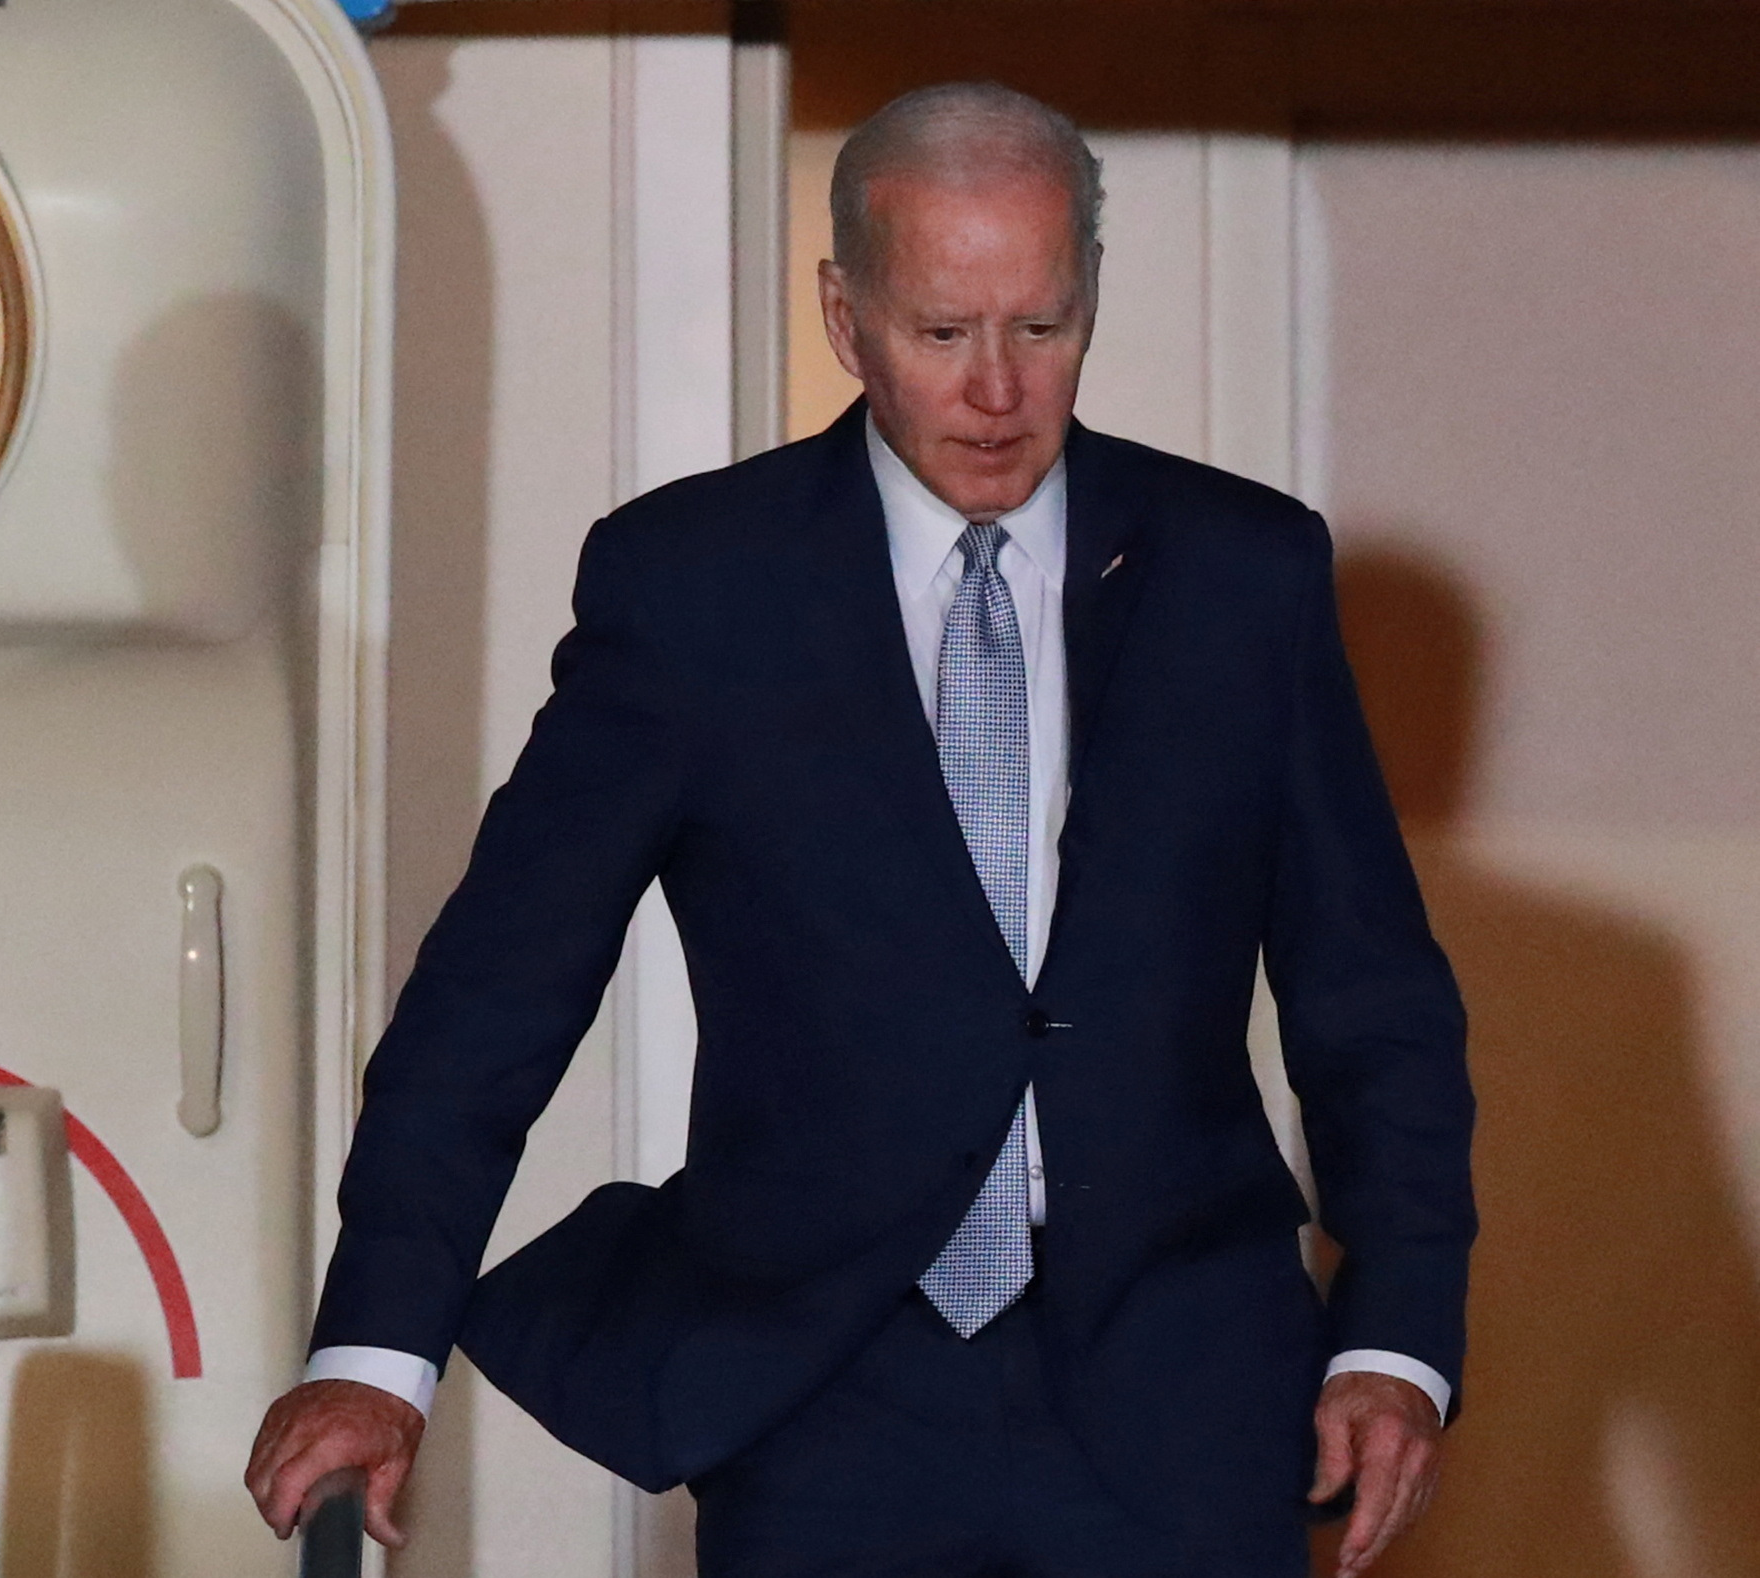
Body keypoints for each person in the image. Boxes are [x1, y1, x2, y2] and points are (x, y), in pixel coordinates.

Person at [248, 81, 1474, 1578]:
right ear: (846, 316)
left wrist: (1400, 1334)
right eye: (942, 333)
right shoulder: (696, 588)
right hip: (824, 1395)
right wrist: (378, 1350)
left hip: (1185, 1397)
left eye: (1043, 327)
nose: (998, 392)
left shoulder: (1244, 575)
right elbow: (500, 987)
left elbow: (1374, 1000)